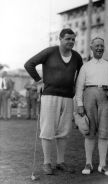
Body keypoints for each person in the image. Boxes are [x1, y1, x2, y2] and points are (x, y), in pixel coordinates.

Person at [24, 28, 83, 175]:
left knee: (64, 131)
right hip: (50, 96)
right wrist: (39, 81)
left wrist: (77, 88)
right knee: (48, 129)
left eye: (73, 39)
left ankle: (60, 162)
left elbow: (81, 74)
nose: (71, 41)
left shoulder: (76, 57)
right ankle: (47, 163)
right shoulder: (50, 52)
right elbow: (29, 64)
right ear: (60, 39)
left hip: (68, 97)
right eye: (68, 38)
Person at [75, 37, 108, 176]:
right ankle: (88, 163)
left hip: (106, 97)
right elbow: (79, 87)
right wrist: (80, 104)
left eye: (102, 46)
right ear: (91, 48)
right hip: (89, 96)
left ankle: (103, 165)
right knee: (89, 131)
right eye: (97, 46)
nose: (99, 48)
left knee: (104, 132)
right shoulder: (85, 66)